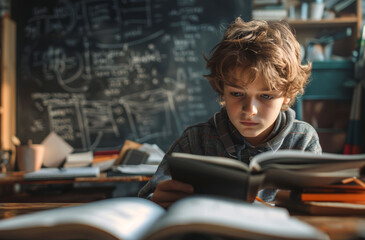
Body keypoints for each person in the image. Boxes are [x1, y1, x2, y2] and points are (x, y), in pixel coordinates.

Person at [138, 17, 322, 208]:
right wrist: (156, 199)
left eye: (266, 96)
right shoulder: (195, 141)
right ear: (222, 89)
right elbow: (147, 200)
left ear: (286, 96)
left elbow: (318, 205)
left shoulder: (303, 141)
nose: (250, 110)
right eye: (237, 93)